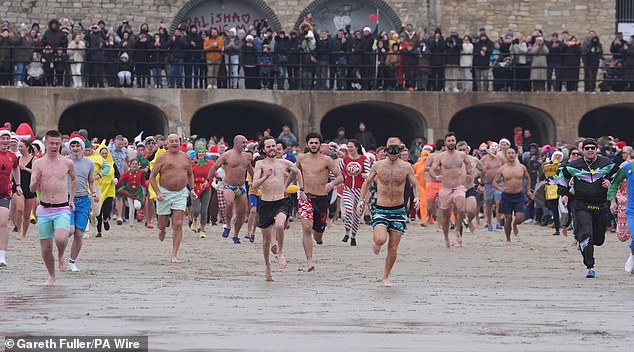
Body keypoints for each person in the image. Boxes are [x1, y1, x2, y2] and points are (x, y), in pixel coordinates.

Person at [358, 138, 420, 287]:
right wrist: (361, 201)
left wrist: (417, 197)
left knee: (393, 246)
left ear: (400, 150)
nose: (393, 153)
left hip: (398, 210)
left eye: (396, 150)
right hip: (381, 208)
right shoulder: (378, 165)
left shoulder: (406, 167)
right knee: (380, 239)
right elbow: (366, 183)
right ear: (385, 150)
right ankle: (376, 242)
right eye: (390, 150)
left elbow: (415, 184)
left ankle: (386, 276)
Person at [557, 138, 617, 278]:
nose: (590, 150)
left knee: (598, 240)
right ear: (582, 150)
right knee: (586, 234)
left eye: (592, 148)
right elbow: (561, 177)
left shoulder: (606, 163)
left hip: (601, 206)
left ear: (597, 149)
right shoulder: (574, 165)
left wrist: (610, 183)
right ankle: (590, 266)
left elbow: (618, 177)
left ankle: (587, 242)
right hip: (581, 205)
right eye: (587, 148)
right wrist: (564, 193)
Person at [252, 136, 305, 281]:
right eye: (268, 146)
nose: (272, 148)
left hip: (282, 201)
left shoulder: (284, 162)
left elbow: (297, 171)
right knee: (266, 241)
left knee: (280, 225)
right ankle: (268, 267)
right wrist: (265, 177)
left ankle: (280, 253)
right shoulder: (260, 164)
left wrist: (301, 189)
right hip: (265, 203)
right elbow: (254, 185)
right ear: (263, 149)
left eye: (273, 146)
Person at [30, 130, 77, 286]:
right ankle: (51, 275)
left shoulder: (67, 163)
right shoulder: (37, 163)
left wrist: (72, 199)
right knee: (45, 248)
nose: (55, 146)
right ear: (45, 143)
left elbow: (74, 179)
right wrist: (36, 181)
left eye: (58, 143)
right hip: (44, 209)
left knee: (61, 238)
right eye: (52, 143)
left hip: (62, 207)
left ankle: (61, 255)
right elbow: (31, 189)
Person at [296, 132, 343, 271]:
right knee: (306, 228)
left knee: (318, 232)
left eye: (316, 143)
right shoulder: (301, 158)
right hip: (306, 198)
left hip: (322, 198)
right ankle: (309, 261)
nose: (314, 145)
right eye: (311, 143)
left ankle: (319, 238)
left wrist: (332, 183)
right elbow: (293, 172)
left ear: (320, 145)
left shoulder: (327, 160)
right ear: (307, 144)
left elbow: (340, 177)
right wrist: (290, 188)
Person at [149, 134, 197, 263]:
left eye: (177, 141)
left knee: (178, 223)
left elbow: (190, 174)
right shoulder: (162, 157)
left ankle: (174, 254)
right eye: (172, 141)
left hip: (180, 193)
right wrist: (158, 192)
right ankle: (162, 230)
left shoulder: (186, 157)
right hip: (164, 192)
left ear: (180, 143)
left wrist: (192, 189)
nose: (174, 143)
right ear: (167, 144)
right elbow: (152, 177)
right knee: (161, 223)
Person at [205, 135, 253, 243]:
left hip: (241, 187)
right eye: (243, 143)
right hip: (228, 186)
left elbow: (250, 170)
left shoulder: (246, 157)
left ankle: (236, 234)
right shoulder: (227, 155)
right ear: (236, 143)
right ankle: (227, 224)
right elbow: (214, 167)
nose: (245, 145)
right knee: (230, 202)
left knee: (241, 213)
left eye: (246, 143)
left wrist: (255, 180)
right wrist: (208, 180)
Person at [430, 133, 471, 249]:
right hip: (445, 188)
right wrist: (436, 177)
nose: (451, 143)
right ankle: (446, 238)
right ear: (445, 142)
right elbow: (432, 170)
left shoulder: (461, 155)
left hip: (458, 186)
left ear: (455, 141)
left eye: (453, 140)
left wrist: (468, 173)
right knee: (445, 216)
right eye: (449, 141)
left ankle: (458, 229)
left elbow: (468, 163)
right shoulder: (440, 156)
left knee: (461, 209)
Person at [67, 134, 99, 272]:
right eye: (72, 146)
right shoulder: (65, 161)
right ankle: (61, 254)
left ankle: (72, 261)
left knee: (79, 234)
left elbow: (91, 180)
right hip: (67, 200)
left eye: (77, 145)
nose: (75, 148)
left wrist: (94, 193)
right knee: (69, 231)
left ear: (82, 147)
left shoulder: (89, 163)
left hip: (84, 200)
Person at [493, 146, 532, 242]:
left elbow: (527, 178)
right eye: (508, 153)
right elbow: (494, 182)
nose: (511, 155)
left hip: (518, 195)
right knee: (508, 218)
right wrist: (500, 188)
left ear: (516, 154)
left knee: (520, 217)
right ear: (505, 156)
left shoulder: (522, 167)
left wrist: (528, 190)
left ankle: (515, 224)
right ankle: (508, 238)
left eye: (512, 153)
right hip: (507, 196)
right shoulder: (502, 169)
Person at [339, 139, 371, 246]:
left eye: (351, 146)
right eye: (348, 146)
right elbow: (338, 170)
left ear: (357, 147)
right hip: (348, 189)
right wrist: (341, 178)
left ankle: (353, 236)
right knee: (348, 210)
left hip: (360, 190)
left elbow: (369, 173)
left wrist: (365, 175)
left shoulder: (364, 159)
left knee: (357, 215)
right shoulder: (345, 159)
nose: (349, 148)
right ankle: (347, 232)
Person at [607, 154, 634, 273]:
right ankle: (633, 254)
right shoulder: (628, 168)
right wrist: (613, 200)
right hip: (632, 210)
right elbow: (614, 183)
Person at [0, 128, 21, 267]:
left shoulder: (12, 156)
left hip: (4, 193)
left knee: (2, 223)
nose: (6, 140)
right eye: (3, 138)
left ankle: (2, 255)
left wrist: (18, 184)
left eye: (8, 138)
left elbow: (16, 168)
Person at [457, 141, 484, 233]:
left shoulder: (474, 160)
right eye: (460, 150)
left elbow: (483, 170)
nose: (462, 152)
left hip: (469, 188)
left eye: (464, 150)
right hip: (457, 188)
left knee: (471, 210)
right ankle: (461, 226)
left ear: (467, 150)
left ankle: (469, 221)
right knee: (460, 211)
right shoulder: (453, 161)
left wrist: (482, 184)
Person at [481, 143, 505, 231]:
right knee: (488, 204)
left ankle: (498, 222)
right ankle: (489, 223)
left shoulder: (500, 158)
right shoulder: (484, 159)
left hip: (499, 183)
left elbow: (504, 168)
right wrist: (481, 183)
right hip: (488, 184)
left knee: (499, 202)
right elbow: (480, 170)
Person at [191, 146, 213, 237]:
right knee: (196, 209)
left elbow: (212, 175)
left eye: (202, 152)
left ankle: (202, 229)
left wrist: (208, 183)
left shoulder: (210, 163)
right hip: (195, 188)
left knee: (204, 210)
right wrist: (191, 187)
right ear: (196, 154)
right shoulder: (192, 164)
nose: (201, 154)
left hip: (206, 188)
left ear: (205, 153)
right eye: (199, 152)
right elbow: (190, 176)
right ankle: (195, 219)